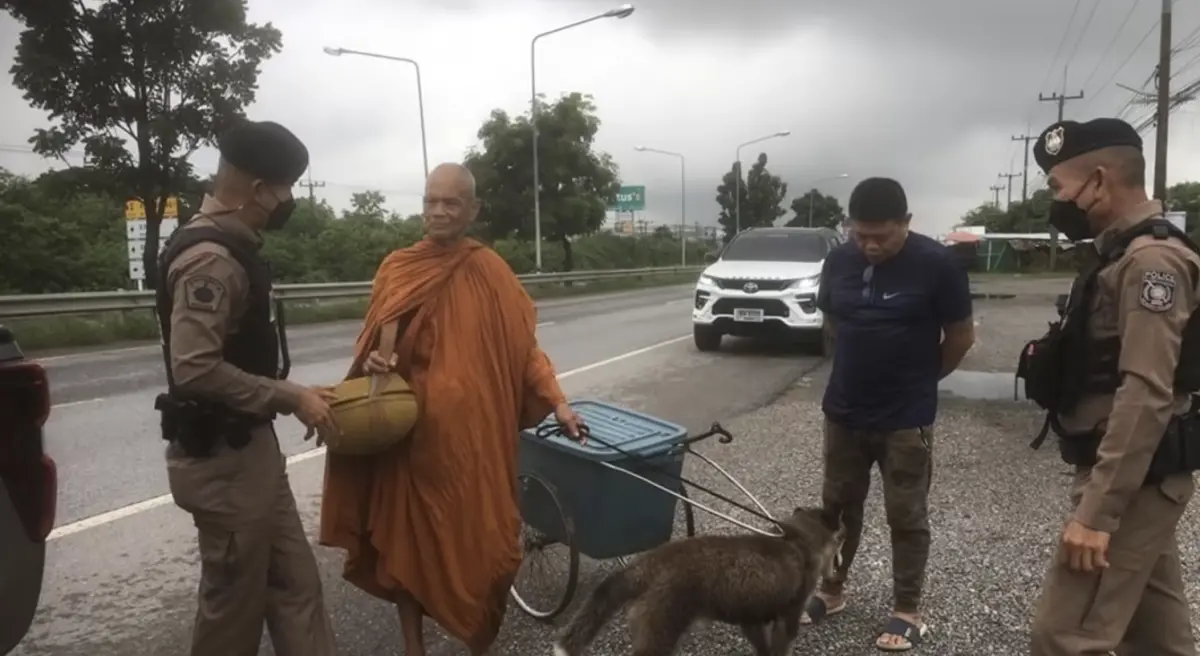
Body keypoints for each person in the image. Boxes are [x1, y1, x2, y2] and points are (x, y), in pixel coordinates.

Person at [318, 162, 583, 656]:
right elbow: (379, 349)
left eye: (450, 203)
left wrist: (559, 403)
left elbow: (525, 351)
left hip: (476, 447)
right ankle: (412, 646)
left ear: (472, 210)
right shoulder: (399, 268)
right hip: (411, 443)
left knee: (494, 552)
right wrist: (377, 359)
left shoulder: (492, 273)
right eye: (430, 202)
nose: (437, 212)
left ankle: (477, 644)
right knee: (405, 550)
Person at [156, 119, 339, 656]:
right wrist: (290, 397)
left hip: (252, 455)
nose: (287, 202)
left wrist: (297, 396)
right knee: (233, 611)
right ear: (260, 190)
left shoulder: (235, 247)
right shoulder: (209, 260)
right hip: (222, 465)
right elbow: (194, 367)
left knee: (296, 587)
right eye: (285, 191)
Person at [1024, 118, 1199, 655]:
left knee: (1064, 638)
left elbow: (1147, 393)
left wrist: (1096, 516)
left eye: (1060, 186)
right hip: (1138, 479)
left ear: (1098, 181)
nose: (1057, 200)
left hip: (1134, 480)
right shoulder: (1120, 253)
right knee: (1155, 638)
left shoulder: (1151, 262)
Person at [805, 177, 975, 652]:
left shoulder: (937, 265)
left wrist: (921, 381)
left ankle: (907, 609)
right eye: (861, 234)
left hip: (905, 417)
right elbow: (835, 322)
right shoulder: (839, 260)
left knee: (906, 514)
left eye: (882, 235)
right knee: (837, 510)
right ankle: (832, 590)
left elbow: (961, 336)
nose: (871, 245)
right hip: (843, 413)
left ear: (906, 224)